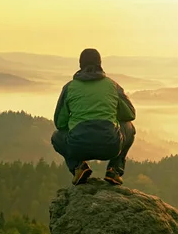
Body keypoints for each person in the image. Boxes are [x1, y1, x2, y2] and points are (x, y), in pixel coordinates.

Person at [51, 48, 136, 186]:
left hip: (77, 146)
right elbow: (130, 114)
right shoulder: (112, 85)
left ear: (80, 65)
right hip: (111, 146)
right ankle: (114, 170)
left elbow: (60, 123)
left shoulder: (69, 87)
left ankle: (78, 167)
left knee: (56, 136)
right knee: (129, 128)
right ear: (100, 64)